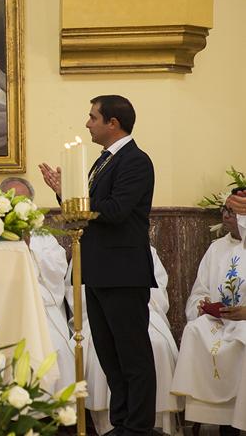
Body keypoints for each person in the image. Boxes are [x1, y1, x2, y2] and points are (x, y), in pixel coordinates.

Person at [39, 94, 156, 436]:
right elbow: (88, 213)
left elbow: (117, 210)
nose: (87, 123)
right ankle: (121, 422)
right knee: (109, 354)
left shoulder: (135, 161)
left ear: (113, 123)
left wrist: (79, 197)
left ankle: (138, 426)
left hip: (123, 270)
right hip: (99, 269)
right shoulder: (101, 162)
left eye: (93, 117)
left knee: (132, 354)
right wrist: (66, 195)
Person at [70, 246, 182, 436]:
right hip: (96, 279)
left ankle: (137, 427)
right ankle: (119, 423)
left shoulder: (137, 245)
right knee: (109, 359)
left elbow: (158, 288)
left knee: (137, 357)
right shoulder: (86, 245)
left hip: (126, 278)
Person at [170, 188, 246, 436]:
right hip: (217, 320)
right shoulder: (216, 248)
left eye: (233, 211)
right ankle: (204, 416)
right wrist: (202, 305)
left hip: (243, 323)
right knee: (194, 329)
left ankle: (237, 418)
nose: (226, 216)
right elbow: (199, 290)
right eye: (225, 210)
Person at [0, 177, 76, 393]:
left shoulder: (43, 237)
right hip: (1, 309)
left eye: (22, 200)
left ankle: (51, 411)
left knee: (53, 346)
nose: (16, 205)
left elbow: (58, 269)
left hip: (40, 307)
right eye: (10, 199)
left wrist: (31, 251)